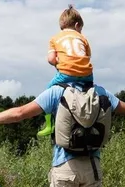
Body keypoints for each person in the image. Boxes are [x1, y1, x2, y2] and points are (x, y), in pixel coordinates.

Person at [37, 5, 93, 137]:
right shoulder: (83, 38)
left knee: (49, 89)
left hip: (67, 74)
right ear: (77, 25)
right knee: (88, 92)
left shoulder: (55, 38)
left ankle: (50, 125)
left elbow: (51, 59)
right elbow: (87, 57)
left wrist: (58, 61)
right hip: (87, 75)